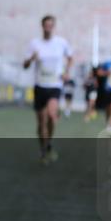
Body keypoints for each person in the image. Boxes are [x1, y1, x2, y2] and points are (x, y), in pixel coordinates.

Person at [23, 15, 73, 165]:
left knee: (52, 115)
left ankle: (49, 142)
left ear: (54, 26)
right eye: (46, 25)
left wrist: (66, 72)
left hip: (55, 85)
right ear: (42, 26)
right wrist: (31, 59)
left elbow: (70, 57)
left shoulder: (61, 43)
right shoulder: (34, 44)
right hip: (40, 86)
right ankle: (43, 148)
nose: (48, 28)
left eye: (51, 25)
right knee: (41, 122)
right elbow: (25, 65)